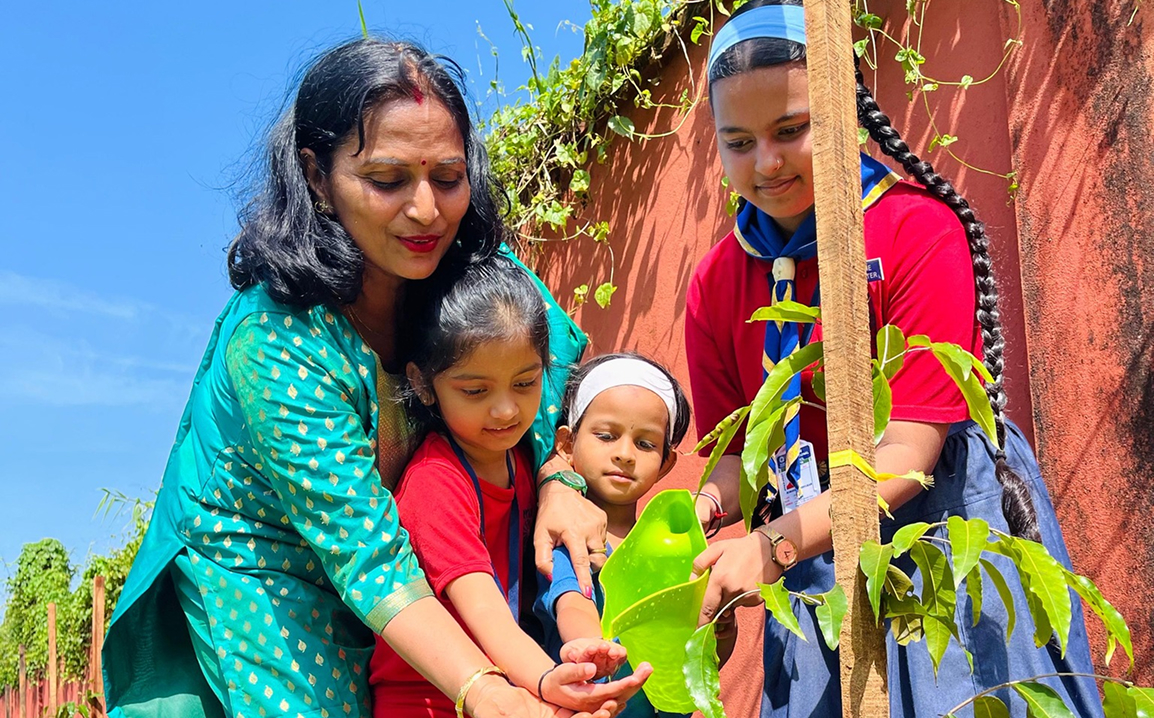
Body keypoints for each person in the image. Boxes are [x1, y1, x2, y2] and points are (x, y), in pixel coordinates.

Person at [102, 38, 614, 718]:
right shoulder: (277, 341)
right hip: (272, 572)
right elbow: (369, 559)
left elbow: (556, 383)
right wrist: (487, 691)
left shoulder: (480, 285)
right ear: (317, 176)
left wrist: (558, 478)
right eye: (387, 180)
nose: (427, 210)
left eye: (449, 176)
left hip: (433, 571)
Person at [683, 2, 1103, 716]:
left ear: (845, 110)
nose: (768, 162)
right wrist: (702, 514)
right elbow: (736, 451)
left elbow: (909, 450)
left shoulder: (916, 230)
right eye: (739, 142)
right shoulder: (717, 284)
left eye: (792, 130)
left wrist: (775, 547)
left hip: (939, 530)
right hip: (807, 545)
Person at [369, 257, 650, 717]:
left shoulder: (525, 459)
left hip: (508, 684)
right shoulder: (435, 482)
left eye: (525, 382)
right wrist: (546, 681)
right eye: (476, 391)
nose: (506, 410)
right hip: (427, 701)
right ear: (422, 383)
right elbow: (487, 615)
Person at [532, 352, 726, 718]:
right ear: (567, 444)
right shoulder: (573, 534)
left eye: (645, 444)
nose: (624, 454)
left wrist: (718, 634)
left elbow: (696, 652)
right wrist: (589, 645)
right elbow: (572, 599)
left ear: (666, 463)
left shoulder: (673, 547)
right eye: (606, 436)